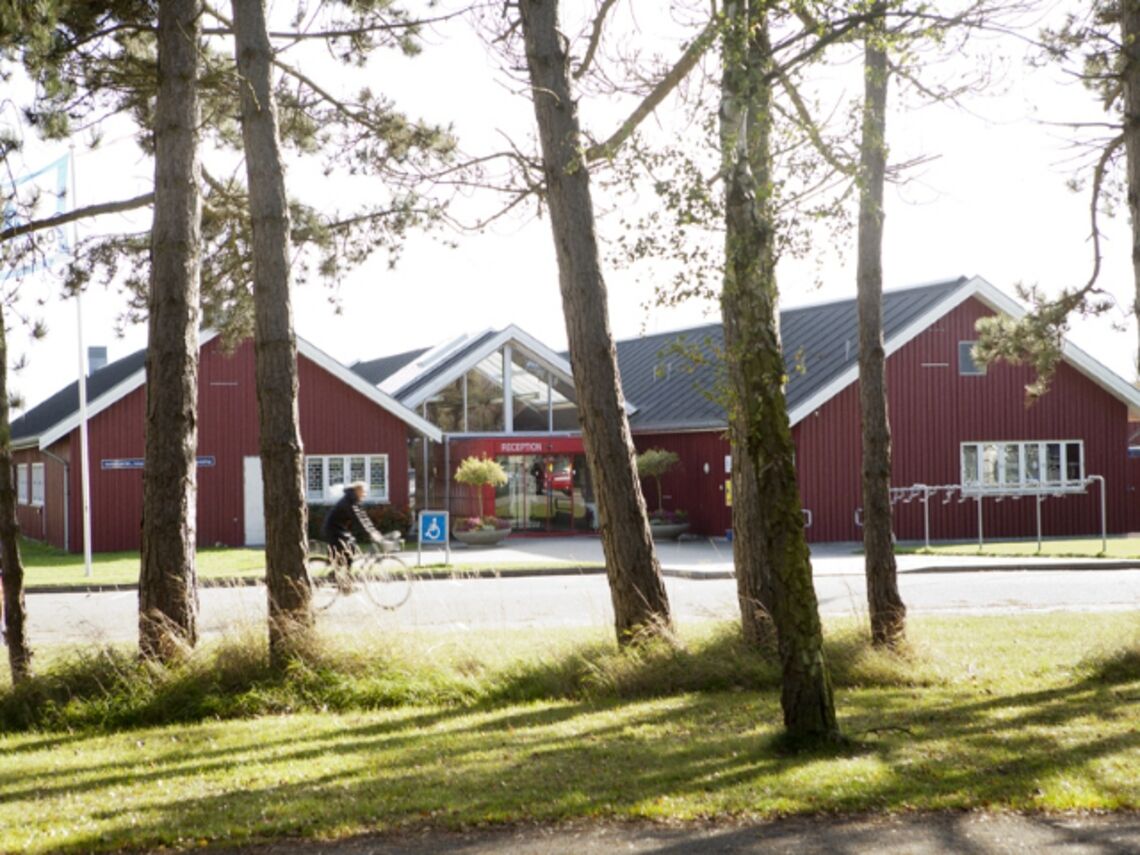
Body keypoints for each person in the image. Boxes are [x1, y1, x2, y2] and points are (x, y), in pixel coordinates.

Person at [320, 481, 381, 570]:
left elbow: (363, 518)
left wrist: (373, 531)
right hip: (333, 530)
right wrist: (370, 533)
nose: (365, 494)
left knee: (351, 547)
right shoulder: (349, 502)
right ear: (357, 491)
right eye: (363, 492)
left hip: (339, 529)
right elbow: (357, 519)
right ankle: (341, 574)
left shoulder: (353, 500)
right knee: (348, 550)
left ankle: (342, 573)